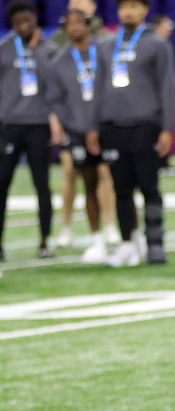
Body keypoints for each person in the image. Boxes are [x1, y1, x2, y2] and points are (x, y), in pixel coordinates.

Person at [86, 0, 175, 267]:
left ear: (145, 10)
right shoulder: (105, 46)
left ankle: (155, 244)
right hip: (112, 126)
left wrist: (167, 129)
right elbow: (98, 88)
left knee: (150, 187)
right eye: (124, 6)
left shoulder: (158, 44)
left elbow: (167, 88)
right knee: (120, 188)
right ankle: (127, 243)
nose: (128, 11)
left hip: (145, 124)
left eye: (135, 6)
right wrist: (93, 126)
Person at [48, 0, 119, 250]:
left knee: (110, 176)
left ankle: (112, 225)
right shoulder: (59, 60)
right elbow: (56, 99)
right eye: (70, 24)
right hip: (76, 128)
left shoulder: (104, 51)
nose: (75, 28)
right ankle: (69, 227)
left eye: (79, 22)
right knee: (73, 176)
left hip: (104, 124)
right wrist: (69, 124)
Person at [0, 1, 58, 261]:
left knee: (41, 184)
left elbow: (55, 84)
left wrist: (36, 52)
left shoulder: (49, 49)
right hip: (10, 124)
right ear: (11, 24)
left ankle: (45, 240)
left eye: (28, 20)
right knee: (2, 185)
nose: (24, 25)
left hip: (38, 124)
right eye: (18, 21)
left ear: (35, 20)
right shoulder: (4, 48)